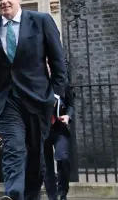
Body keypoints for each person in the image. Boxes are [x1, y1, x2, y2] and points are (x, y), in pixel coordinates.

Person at [0, 0, 67, 200]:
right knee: (14, 147)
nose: (3, 1)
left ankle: (30, 195)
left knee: (35, 155)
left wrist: (56, 95)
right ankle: (13, 193)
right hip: (5, 98)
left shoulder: (41, 21)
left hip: (37, 98)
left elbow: (58, 61)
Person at [44, 60, 74, 200]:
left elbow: (71, 105)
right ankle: (52, 197)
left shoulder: (63, 84)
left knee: (63, 158)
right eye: (46, 64)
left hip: (60, 127)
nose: (49, 67)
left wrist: (68, 116)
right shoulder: (37, 84)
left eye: (51, 64)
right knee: (47, 167)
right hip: (43, 129)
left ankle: (63, 193)